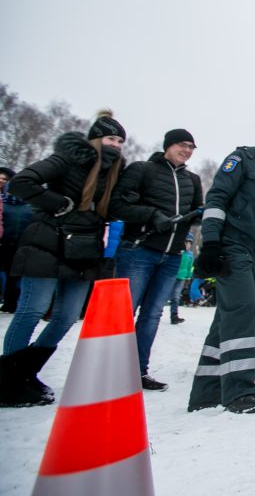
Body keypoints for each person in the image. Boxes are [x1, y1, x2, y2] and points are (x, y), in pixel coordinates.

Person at [0, 113, 126, 407]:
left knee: (67, 317)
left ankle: (26, 373)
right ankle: (7, 382)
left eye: (120, 141)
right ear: (95, 139)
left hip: (82, 252)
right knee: (31, 311)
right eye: (110, 138)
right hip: (46, 245)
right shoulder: (67, 158)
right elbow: (22, 182)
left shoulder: (113, 174)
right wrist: (58, 203)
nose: (116, 145)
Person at [187, 113, 255, 414]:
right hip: (233, 245)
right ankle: (239, 392)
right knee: (243, 312)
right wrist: (210, 242)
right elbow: (217, 199)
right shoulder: (243, 159)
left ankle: (206, 394)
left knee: (226, 317)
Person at [110, 128, 204, 391]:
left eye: (191, 147)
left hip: (172, 255)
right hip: (139, 249)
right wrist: (151, 215)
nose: (186, 150)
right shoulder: (142, 169)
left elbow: (196, 211)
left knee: (152, 315)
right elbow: (117, 205)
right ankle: (111, 370)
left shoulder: (193, 180)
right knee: (125, 312)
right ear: (168, 145)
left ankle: (138, 371)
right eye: (182, 145)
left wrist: (200, 215)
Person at [1, 166, 33, 313]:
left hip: (22, 246)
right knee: (4, 274)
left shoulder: (31, 207)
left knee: (15, 276)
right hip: (4, 244)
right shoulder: (3, 205)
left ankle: (12, 303)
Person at [170, 234, 195, 324]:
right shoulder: (178, 252)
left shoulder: (190, 255)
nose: (188, 245)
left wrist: (188, 277)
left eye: (190, 243)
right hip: (171, 276)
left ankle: (174, 316)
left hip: (182, 278)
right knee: (163, 296)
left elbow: (189, 266)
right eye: (186, 243)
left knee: (176, 297)